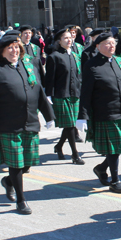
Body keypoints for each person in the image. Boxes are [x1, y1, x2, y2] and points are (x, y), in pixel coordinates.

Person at [0, 34, 55, 214]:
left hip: (30, 122)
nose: (14, 51)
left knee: (26, 163)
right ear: (2, 51)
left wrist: (49, 115)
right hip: (8, 125)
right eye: (10, 48)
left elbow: (39, 93)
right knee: (15, 164)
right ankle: (21, 200)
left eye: (17, 47)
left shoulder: (28, 67)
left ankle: (8, 181)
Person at [77, 32, 121, 193]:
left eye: (113, 43)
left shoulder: (120, 62)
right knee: (114, 148)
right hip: (105, 112)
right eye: (107, 43)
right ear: (98, 46)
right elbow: (86, 92)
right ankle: (115, 180)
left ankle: (101, 168)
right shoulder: (91, 65)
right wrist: (82, 116)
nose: (111, 46)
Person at [45, 29, 84, 164]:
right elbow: (50, 78)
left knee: (70, 125)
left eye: (70, 37)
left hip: (75, 94)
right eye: (65, 38)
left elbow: (79, 76)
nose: (69, 40)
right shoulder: (54, 57)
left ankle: (59, 146)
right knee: (70, 125)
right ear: (59, 41)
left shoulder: (75, 55)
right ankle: (75, 154)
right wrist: (48, 95)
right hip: (61, 95)